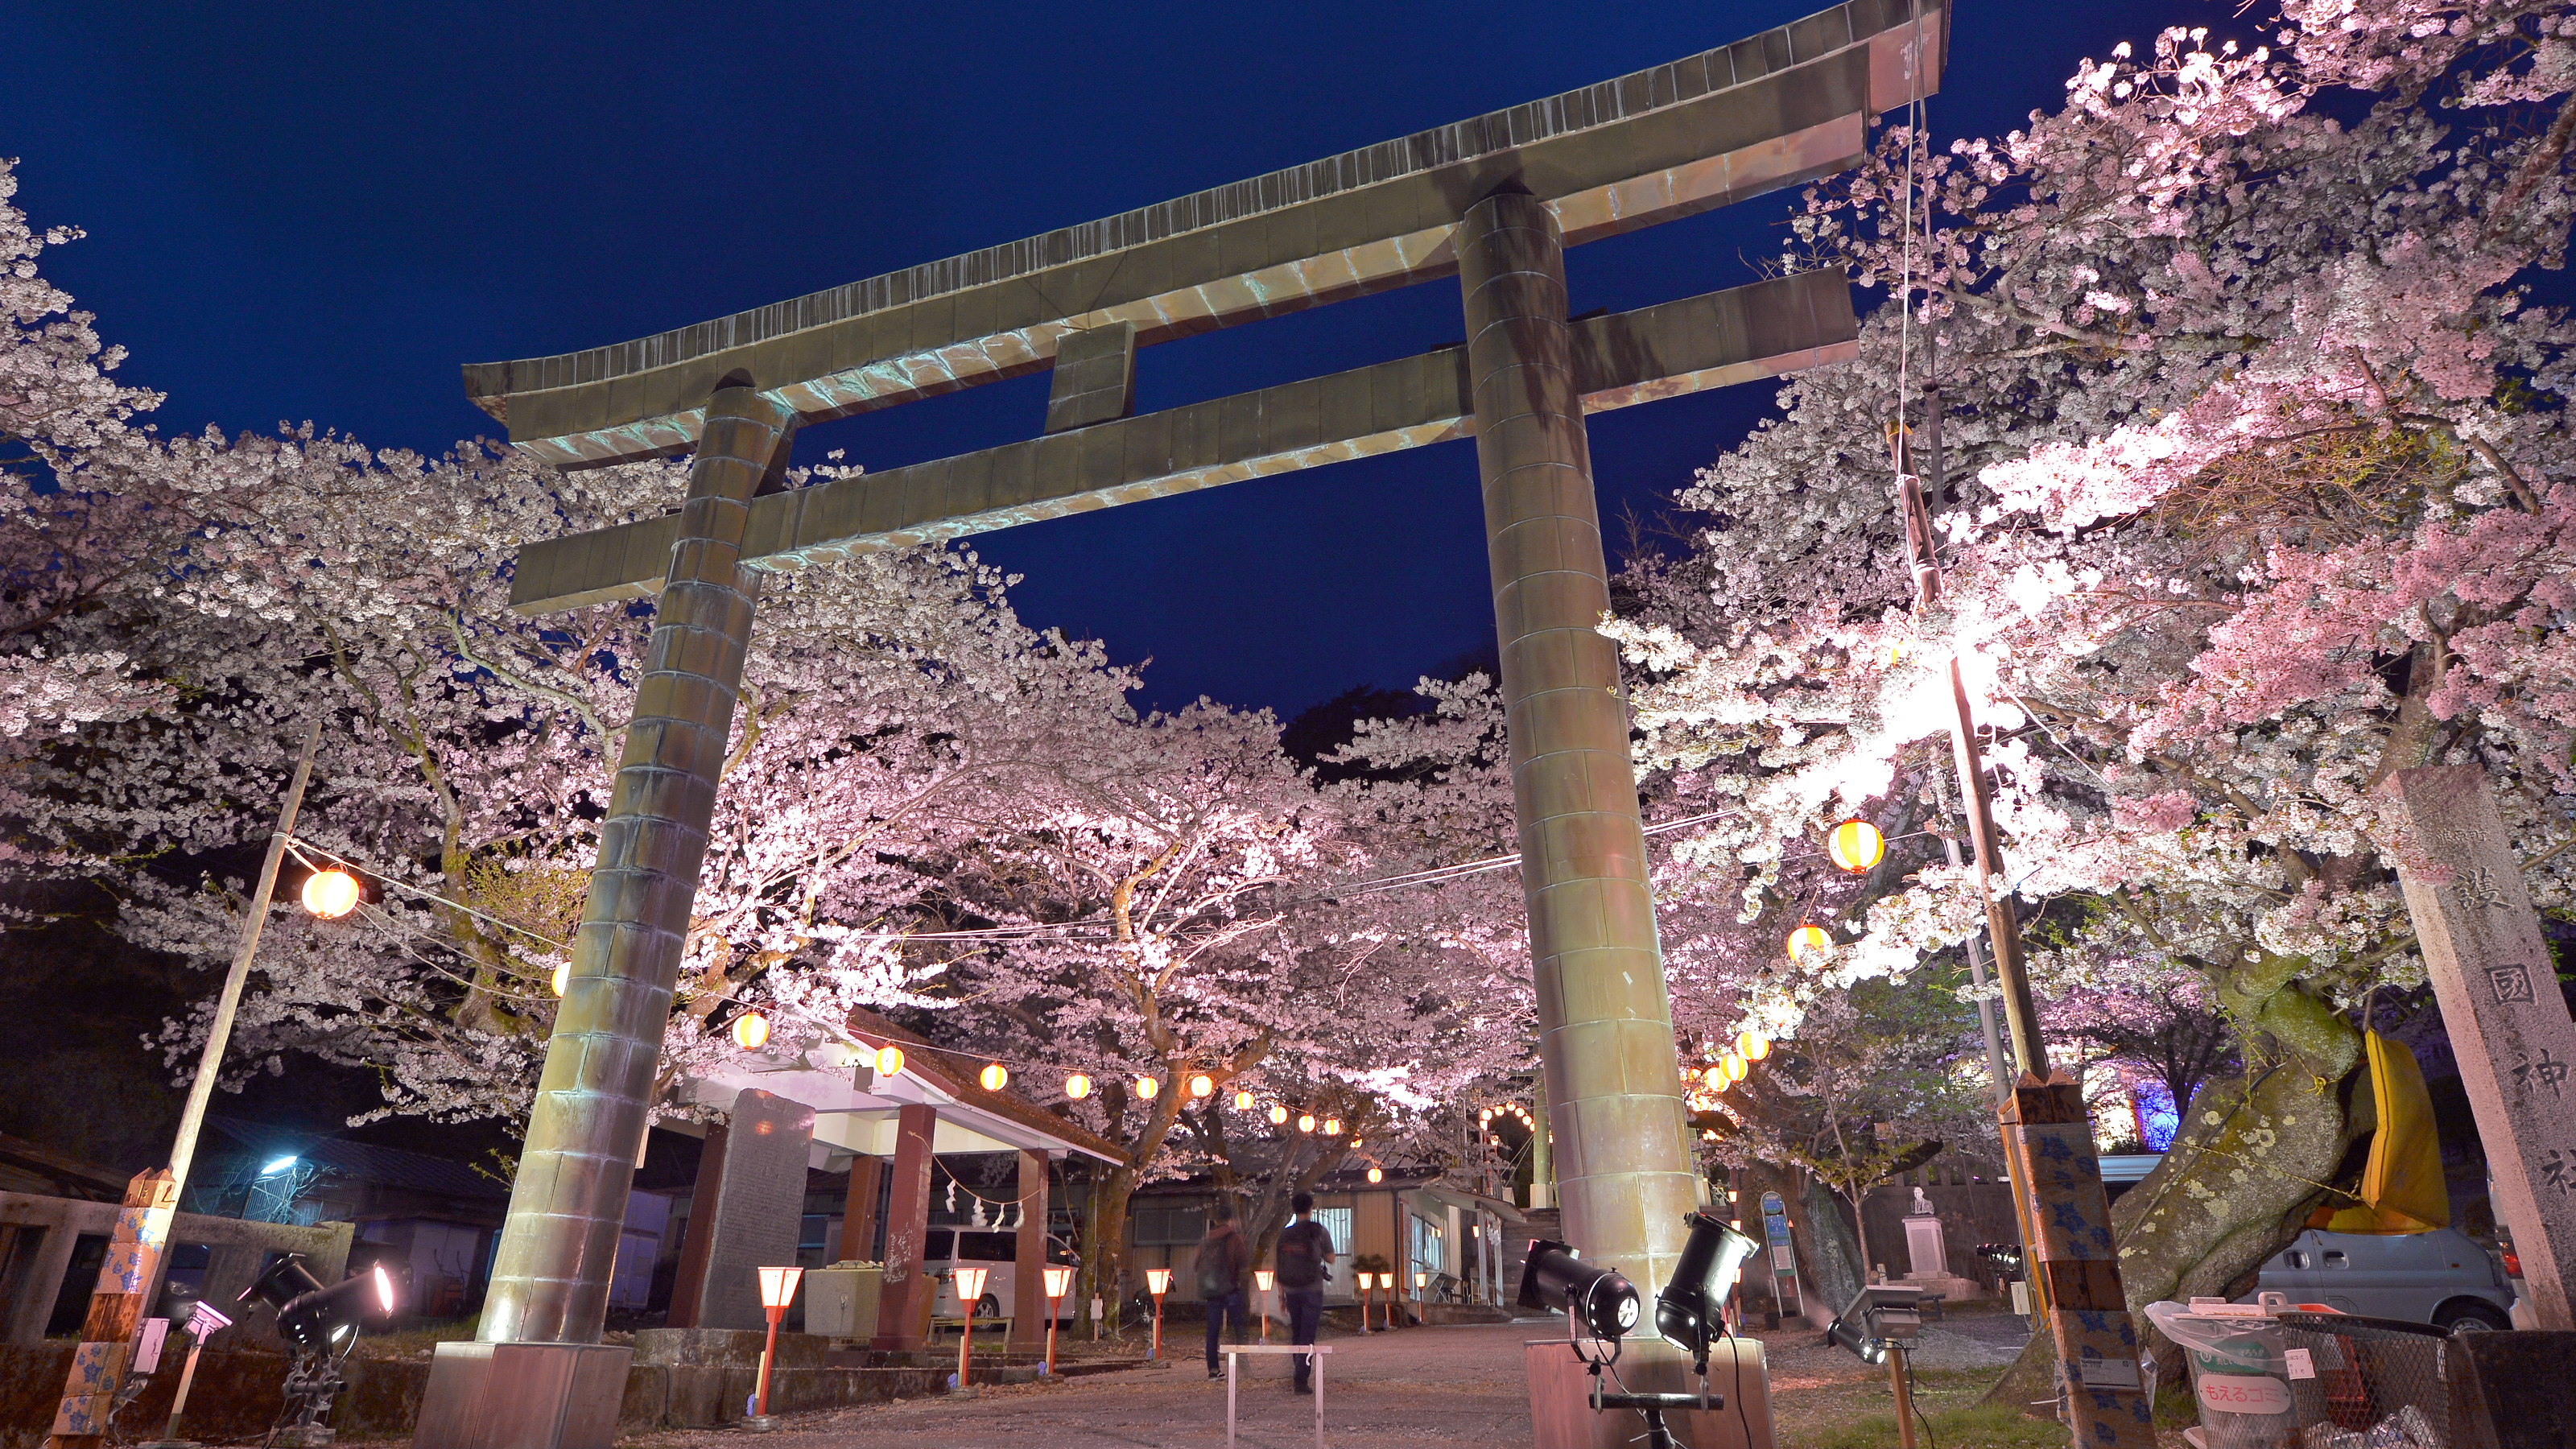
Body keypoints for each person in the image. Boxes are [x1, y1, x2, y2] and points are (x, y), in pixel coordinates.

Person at [1274, 1191, 1333, 1394]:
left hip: (1291, 1289)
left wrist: (1281, 1296)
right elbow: (1331, 1258)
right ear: (1311, 1208)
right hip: (1312, 1289)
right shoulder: (1318, 1231)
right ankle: (1301, 1379)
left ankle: (1298, 1373)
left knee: (1297, 1332)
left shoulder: (1285, 1234)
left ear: (1293, 1209)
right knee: (1308, 1334)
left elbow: (1279, 1266)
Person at [1196, 1200, 1253, 1380]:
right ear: (1230, 1220)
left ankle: (1213, 1369)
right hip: (1230, 1289)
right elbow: (1243, 1262)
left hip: (1212, 1292)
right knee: (1239, 1325)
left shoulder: (1206, 1239)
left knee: (1212, 1330)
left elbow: (1196, 1264)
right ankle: (1242, 1362)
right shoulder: (1234, 1237)